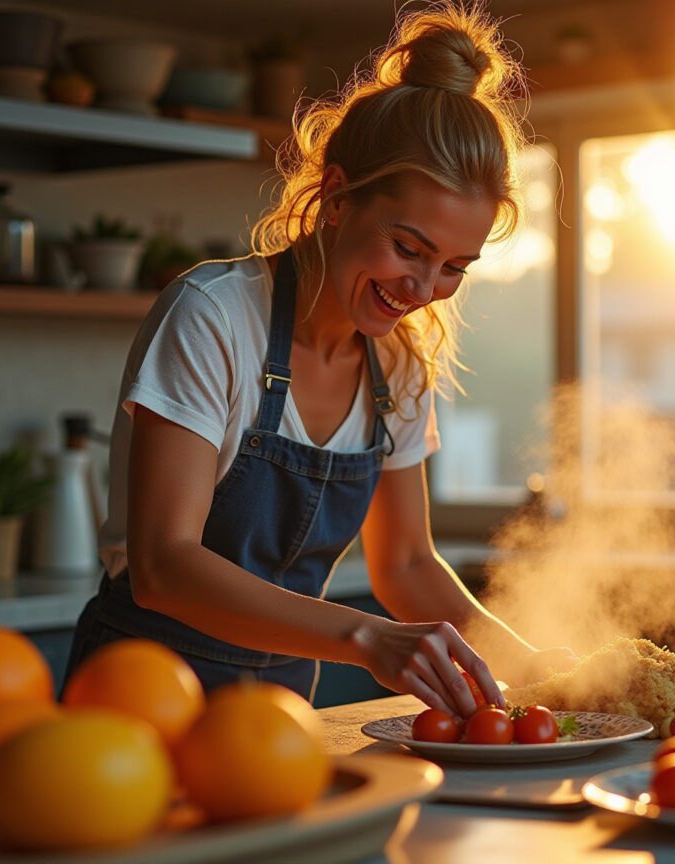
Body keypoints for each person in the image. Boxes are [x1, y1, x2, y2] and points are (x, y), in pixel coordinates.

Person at [66, 1, 570, 719]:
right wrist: (366, 638)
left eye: (455, 265)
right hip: (136, 706)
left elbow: (406, 565)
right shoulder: (212, 316)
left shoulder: (398, 368)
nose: (424, 292)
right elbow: (162, 566)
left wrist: (532, 662)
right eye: (408, 248)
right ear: (336, 197)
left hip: (274, 719)